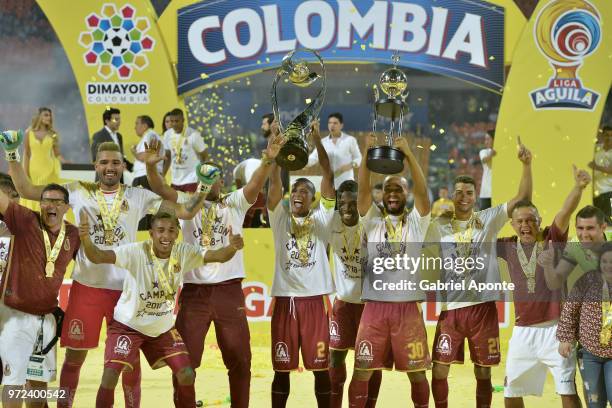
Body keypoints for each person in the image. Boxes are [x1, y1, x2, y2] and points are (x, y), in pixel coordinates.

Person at [2, 133, 213, 408]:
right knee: (74, 358)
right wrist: (11, 152)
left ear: (123, 166)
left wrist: (205, 185)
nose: (110, 167)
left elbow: (184, 212)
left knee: (129, 362)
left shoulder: (138, 196)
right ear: (95, 164)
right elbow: (27, 189)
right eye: (104, 162)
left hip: (125, 295)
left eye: (115, 162)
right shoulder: (77, 191)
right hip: (85, 288)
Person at [143, 132, 284, 408]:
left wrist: (269, 159)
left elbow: (256, 184)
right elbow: (160, 187)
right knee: (184, 361)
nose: (212, 181)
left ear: (223, 180)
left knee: (241, 359)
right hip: (194, 294)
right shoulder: (187, 204)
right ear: (199, 182)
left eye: (216, 176)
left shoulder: (234, 202)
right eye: (206, 177)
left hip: (229, 291)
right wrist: (150, 166)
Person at [78, 210, 243, 407]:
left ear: (177, 233)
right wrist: (85, 238)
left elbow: (218, 255)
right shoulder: (135, 252)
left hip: (162, 329)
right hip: (128, 327)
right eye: (160, 230)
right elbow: (97, 256)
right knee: (110, 375)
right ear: (151, 233)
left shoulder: (183, 252)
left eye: (171, 231)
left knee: (186, 374)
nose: (166, 236)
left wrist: (232, 247)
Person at [427, 138, 533, 408]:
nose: (464, 197)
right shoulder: (439, 225)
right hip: (451, 309)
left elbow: (523, 199)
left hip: (483, 308)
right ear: (452, 194)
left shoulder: (488, 219)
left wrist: (526, 165)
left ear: (475, 196)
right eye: (459, 192)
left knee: (483, 371)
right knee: (439, 369)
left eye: (468, 193)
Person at [347, 133, 432, 408]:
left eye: (398, 190)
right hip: (374, 309)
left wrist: (408, 153)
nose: (393, 194)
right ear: (381, 195)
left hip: (408, 309)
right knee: (361, 370)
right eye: (388, 190)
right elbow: (361, 190)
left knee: (417, 374)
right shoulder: (372, 221)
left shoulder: (417, 224)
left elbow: (422, 190)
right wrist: (366, 154)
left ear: (405, 194)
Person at [499, 165, 590, 408]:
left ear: (539, 222)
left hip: (556, 330)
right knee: (511, 392)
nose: (526, 225)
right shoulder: (506, 245)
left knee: (567, 391)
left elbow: (565, 211)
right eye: (520, 221)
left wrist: (578, 187)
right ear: (513, 225)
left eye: (531, 220)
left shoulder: (552, 238)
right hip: (522, 332)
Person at [267, 120, 335, 408]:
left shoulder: (323, 219)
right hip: (285, 302)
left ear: (313, 198)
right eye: (294, 191)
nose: (297, 194)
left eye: (304, 191)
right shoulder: (279, 219)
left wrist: (318, 139)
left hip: (315, 303)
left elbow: (328, 174)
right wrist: (274, 154)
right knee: (281, 370)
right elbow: (274, 186)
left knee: (321, 369)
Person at [0, 182, 79, 408]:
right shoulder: (25, 219)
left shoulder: (73, 234)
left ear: (67, 207)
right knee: (13, 382)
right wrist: (13, 155)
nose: (50, 206)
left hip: (47, 320)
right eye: (46, 201)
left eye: (57, 201)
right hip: (16, 317)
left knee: (38, 386)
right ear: (39, 204)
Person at [327, 180, 381, 408]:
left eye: (353, 202)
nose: (347, 207)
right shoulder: (332, 223)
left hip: (370, 306)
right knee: (335, 357)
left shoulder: (372, 221)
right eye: (343, 203)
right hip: (342, 304)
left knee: (370, 361)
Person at [557, 242, 612, 407]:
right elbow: (570, 310)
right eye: (605, 262)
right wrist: (565, 339)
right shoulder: (587, 280)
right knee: (594, 401)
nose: (608, 266)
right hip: (589, 354)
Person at [540, 205, 609, 292]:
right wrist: (548, 265)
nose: (584, 234)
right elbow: (555, 283)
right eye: (580, 228)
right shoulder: (575, 245)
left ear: (603, 227)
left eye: (590, 228)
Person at [22, 107, 64, 211]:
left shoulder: (53, 133)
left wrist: (66, 163)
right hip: (34, 170)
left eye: (49, 115)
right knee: (34, 195)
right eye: (46, 115)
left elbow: (57, 154)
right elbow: (26, 154)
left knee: (48, 194)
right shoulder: (28, 132)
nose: (48, 117)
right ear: (39, 116)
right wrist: (26, 173)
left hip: (50, 170)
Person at [306, 113, 362, 189]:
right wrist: (301, 161)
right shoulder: (322, 142)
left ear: (341, 125)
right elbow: (313, 158)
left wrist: (350, 165)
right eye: (330, 123)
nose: (332, 125)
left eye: (335, 123)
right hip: (329, 184)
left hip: (347, 184)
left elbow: (358, 158)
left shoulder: (350, 140)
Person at [163, 108, 208, 192]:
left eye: (177, 121)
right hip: (175, 181)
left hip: (192, 180)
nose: (174, 124)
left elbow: (204, 156)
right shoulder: (167, 135)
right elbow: (168, 157)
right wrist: (162, 176)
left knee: (191, 205)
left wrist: (202, 178)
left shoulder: (194, 135)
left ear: (183, 120)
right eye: (172, 121)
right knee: (173, 205)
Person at [90, 107, 133, 172]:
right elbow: (95, 157)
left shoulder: (119, 136)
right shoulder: (98, 135)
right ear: (107, 121)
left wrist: (133, 168)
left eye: (119, 119)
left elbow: (121, 156)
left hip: (118, 175)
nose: (119, 122)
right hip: (105, 175)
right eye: (116, 119)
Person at [131, 115, 167, 191]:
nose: (135, 127)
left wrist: (133, 152)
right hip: (146, 175)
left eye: (137, 123)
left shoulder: (149, 134)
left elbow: (145, 157)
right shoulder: (149, 135)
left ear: (144, 125)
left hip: (145, 176)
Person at [589, 126, 612, 220]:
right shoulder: (596, 149)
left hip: (608, 192)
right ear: (602, 136)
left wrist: (595, 166)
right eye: (607, 135)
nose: (609, 138)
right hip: (594, 193)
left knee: (607, 221)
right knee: (597, 221)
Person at [479, 130, 495, 210]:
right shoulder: (484, 152)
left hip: (498, 190)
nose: (486, 142)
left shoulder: (502, 152)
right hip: (486, 192)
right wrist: (491, 155)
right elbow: (484, 160)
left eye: (488, 139)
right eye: (485, 139)